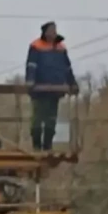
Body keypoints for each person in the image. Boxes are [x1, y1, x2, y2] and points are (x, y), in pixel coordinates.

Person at [25, 21, 79, 151]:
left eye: (55, 30)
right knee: (37, 118)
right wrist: (30, 82)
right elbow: (31, 65)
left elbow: (67, 68)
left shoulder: (61, 48)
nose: (54, 33)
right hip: (39, 90)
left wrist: (72, 83)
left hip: (55, 89)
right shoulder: (36, 46)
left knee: (51, 119)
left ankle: (47, 145)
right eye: (51, 30)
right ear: (45, 32)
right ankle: (37, 145)